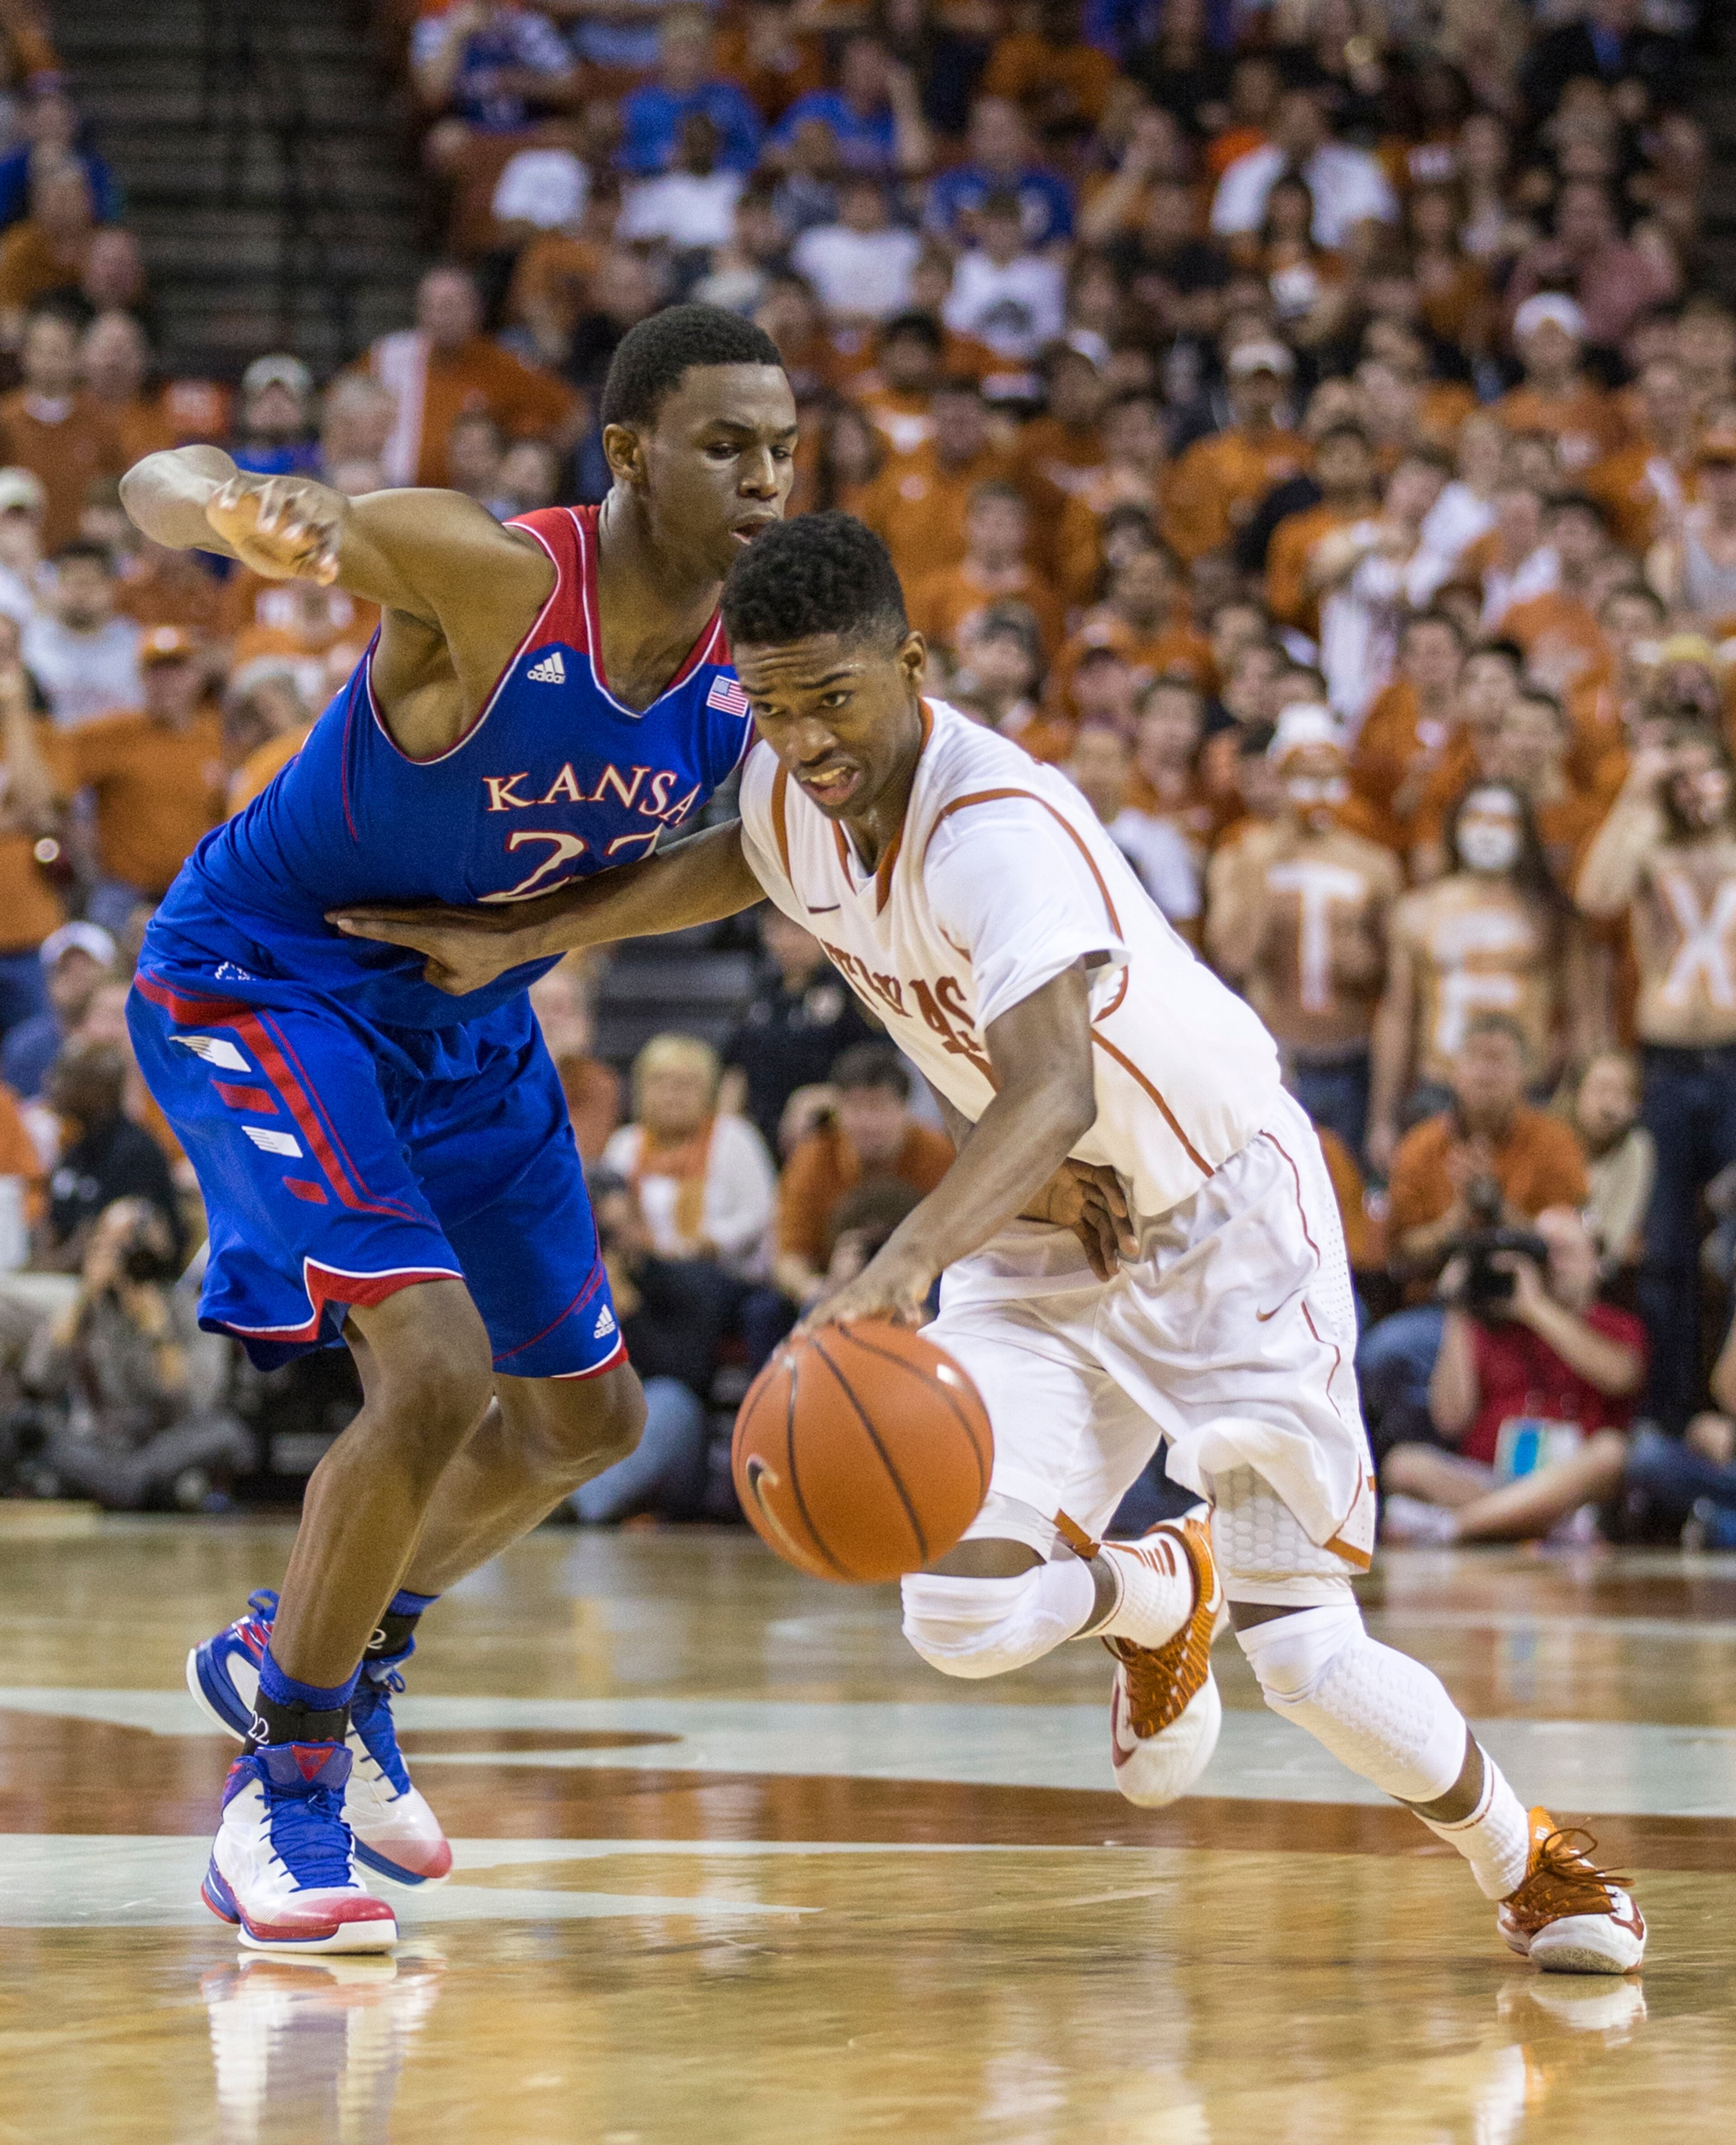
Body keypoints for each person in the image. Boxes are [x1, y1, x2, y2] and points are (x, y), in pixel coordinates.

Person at [350, 511, 1647, 1976]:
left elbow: (1055, 1086)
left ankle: (1524, 1859)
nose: (804, 740)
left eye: (832, 700)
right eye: (771, 707)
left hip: (1224, 1220)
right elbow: (733, 863)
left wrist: (898, 1265)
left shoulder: (1000, 833)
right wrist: (531, 936)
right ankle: (1156, 1588)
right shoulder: (794, 790)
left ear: (911, 664)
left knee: (1308, 1661)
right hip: (1040, 1220)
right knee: (956, 1612)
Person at [118, 304, 797, 1951]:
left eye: (784, 446)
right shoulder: (496, 576)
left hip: (462, 1012)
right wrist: (240, 502)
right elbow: (160, 479)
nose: (767, 479)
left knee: (588, 1421)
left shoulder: (756, 650)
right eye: (728, 446)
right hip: (271, 978)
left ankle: (329, 1653)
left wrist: (527, 941)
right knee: (431, 1370)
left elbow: (757, 845)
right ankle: (278, 1790)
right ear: (632, 455)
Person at [1576, 723, 1736, 1433]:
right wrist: (1635, 792)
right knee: (1666, 1249)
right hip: (1667, 1064)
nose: (1696, 788)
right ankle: (1669, 1419)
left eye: (1710, 773)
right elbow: (1597, 896)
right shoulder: (1647, 839)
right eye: (1683, 775)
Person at [1380, 1205, 1647, 1546]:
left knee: (1612, 1453)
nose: (1553, 1265)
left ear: (1596, 1263)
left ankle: (1456, 1527)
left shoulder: (1617, 1326)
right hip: (1490, 1479)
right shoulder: (1494, 1324)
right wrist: (1460, 1308)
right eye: (1544, 1254)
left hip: (1568, 1486)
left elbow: (1620, 1378)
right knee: (1403, 1464)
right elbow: (1450, 1419)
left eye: (1565, 1252)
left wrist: (1536, 1310)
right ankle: (1523, 1522)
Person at [1206, 710, 1401, 1162]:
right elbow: (1233, 958)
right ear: (1279, 780)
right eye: (1302, 778)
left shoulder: (1374, 863)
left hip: (1352, 1058)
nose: (1316, 793)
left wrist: (1365, 963)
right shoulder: (1243, 855)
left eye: (1328, 778)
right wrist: (1270, 858)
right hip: (1277, 1056)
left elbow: (1395, 984)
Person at [1368, 781, 1579, 1175]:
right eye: (1476, 819)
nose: (1487, 832)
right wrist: (1382, 1116)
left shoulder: (1548, 914)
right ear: (1455, 828)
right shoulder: (1418, 911)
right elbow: (1398, 1014)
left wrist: (1567, 1093)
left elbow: (1575, 1014)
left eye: (1501, 821)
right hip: (1440, 1086)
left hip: (1527, 1091)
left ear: (1525, 834)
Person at [24, 1194, 252, 1512]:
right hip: (104, 1443)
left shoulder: (189, 1309)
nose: (122, 1258)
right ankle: (137, 1487)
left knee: (225, 1434)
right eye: (109, 1246)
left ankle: (124, 1486)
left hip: (168, 1442)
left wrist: (159, 1334)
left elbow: (198, 1404)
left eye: (130, 1245)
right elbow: (39, 1380)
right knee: (33, 1428)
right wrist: (82, 1299)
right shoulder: (85, 1310)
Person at [568, 1170, 739, 1526]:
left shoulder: (681, 1283)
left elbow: (686, 1376)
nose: (611, 1244)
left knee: (670, 1401)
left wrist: (629, 1312)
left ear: (641, 1222)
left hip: (672, 1448)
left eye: (620, 1228)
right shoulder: (563, 1292)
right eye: (602, 1233)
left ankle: (572, 1509)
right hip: (586, 1440)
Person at [44, 624, 229, 935]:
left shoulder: (218, 736)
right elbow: (54, 784)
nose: (167, 683)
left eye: (177, 670)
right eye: (156, 672)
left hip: (195, 894)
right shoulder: (115, 733)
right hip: (125, 895)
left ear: (197, 676)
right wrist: (75, 845)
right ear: (142, 679)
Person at [773, 1041, 953, 1316]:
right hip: (837, 1278)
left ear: (905, 1110)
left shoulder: (938, 1155)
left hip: (922, 1278)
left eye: (879, 1107)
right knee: (771, 1311)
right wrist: (819, 1288)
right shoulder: (813, 1157)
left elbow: (960, 1242)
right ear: (838, 1111)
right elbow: (789, 1257)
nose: (868, 1122)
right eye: (856, 1108)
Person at [600, 1032, 776, 1278]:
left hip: (721, 1274)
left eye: (685, 1084)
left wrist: (708, 1243)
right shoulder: (625, 1143)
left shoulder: (734, 1138)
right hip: (644, 1269)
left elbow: (759, 1215)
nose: (672, 1095)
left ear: (708, 1091)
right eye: (660, 1082)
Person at [722, 904, 877, 1153]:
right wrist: (727, 1132)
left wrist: (821, 1098)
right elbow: (735, 1070)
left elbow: (876, 1068)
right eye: (776, 927)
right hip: (761, 1134)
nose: (786, 941)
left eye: (797, 929)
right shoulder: (758, 994)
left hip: (828, 1132)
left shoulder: (850, 992)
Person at [20, 540, 142, 726]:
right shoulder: (29, 644)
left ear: (112, 587)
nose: (80, 593)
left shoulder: (138, 645)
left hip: (122, 748)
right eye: (71, 582)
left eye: (90, 583)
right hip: (50, 748)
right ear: (55, 586)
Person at [1, 919, 113, 1102]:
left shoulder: (130, 1039)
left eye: (86, 967)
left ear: (110, 973)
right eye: (65, 969)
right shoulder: (26, 1045)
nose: (76, 977)